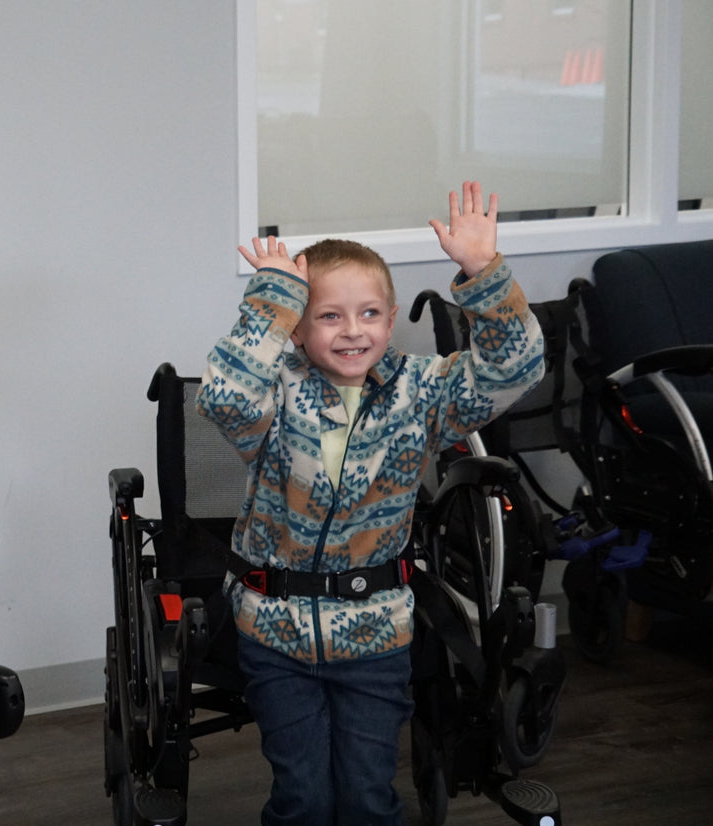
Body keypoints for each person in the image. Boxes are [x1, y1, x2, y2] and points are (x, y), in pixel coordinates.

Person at [197, 182, 544, 826]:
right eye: (329, 316)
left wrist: (482, 272)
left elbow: (514, 368)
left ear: (389, 319)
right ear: (298, 330)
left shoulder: (420, 391)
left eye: (369, 314)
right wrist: (270, 303)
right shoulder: (277, 391)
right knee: (302, 799)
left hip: (377, 634)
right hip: (275, 632)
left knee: (366, 799)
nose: (352, 331)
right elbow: (225, 399)